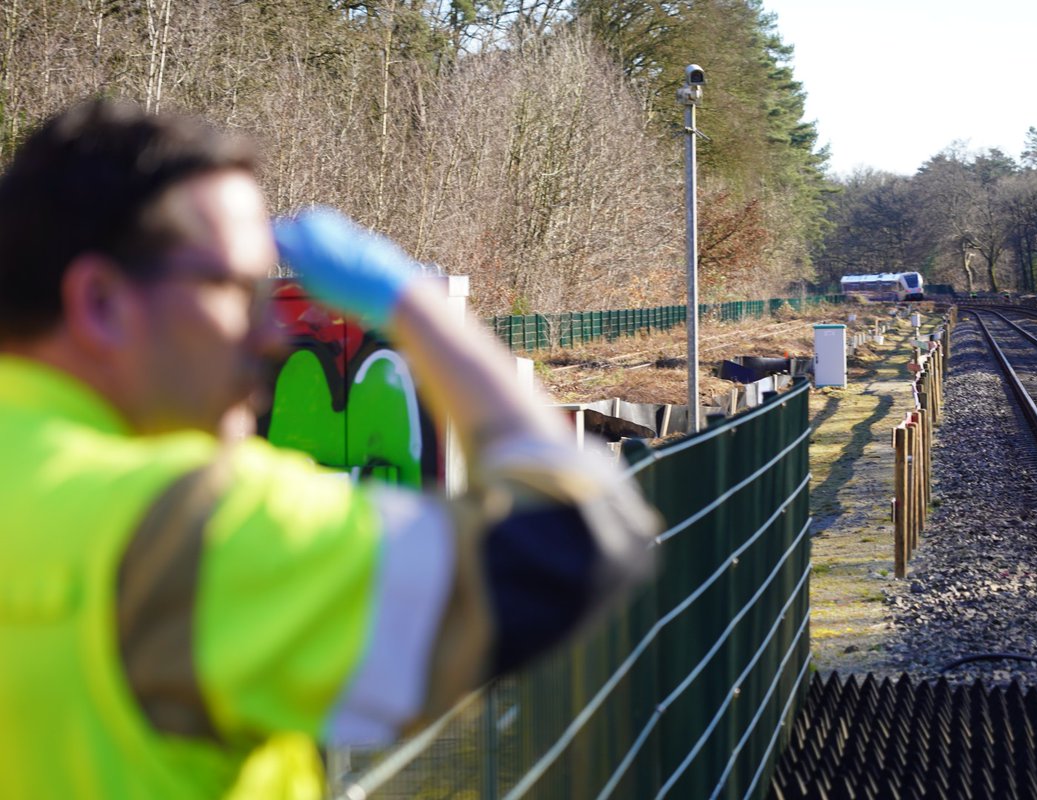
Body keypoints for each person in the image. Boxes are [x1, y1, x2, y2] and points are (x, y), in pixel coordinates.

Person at [0, 99, 658, 799]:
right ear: (100, 301)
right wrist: (416, 305)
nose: (272, 337)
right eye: (237, 290)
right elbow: (579, 533)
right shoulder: (192, 526)